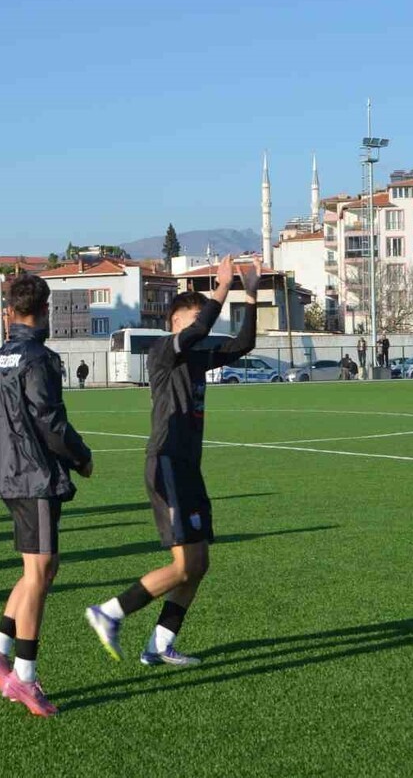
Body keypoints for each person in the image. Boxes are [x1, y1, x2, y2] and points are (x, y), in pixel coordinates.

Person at [85, 255, 259, 668]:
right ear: (176, 322)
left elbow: (243, 344)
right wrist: (222, 287)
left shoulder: (197, 358)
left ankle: (160, 645)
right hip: (165, 462)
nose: (205, 326)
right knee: (183, 565)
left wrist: (249, 296)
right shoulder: (165, 350)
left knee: (198, 564)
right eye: (197, 319)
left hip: (187, 466)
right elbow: (202, 328)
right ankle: (110, 612)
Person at [0, 273, 93, 717]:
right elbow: (50, 421)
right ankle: (24, 678)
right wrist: (81, 457)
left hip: (11, 476)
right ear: (46, 312)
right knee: (41, 571)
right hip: (35, 479)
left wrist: (8, 454)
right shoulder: (39, 359)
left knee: (42, 566)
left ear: (8, 312)